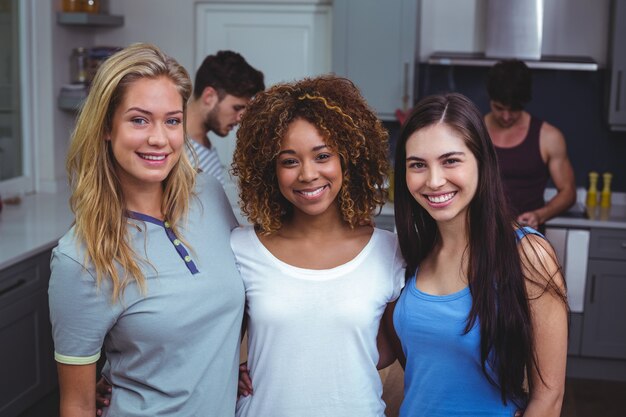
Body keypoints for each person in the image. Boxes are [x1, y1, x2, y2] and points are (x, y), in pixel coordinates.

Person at [48, 43, 244, 417]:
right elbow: (77, 404)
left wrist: (240, 358)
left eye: (172, 120)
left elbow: (234, 292)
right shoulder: (81, 258)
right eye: (139, 120)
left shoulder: (208, 194)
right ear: (107, 126)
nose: (159, 138)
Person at [383, 92, 568, 416]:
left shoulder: (527, 255)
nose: (434, 180)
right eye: (418, 165)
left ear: (482, 162)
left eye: (451, 160)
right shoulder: (410, 255)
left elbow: (549, 397)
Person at [231, 75, 405, 417]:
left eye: (322, 156)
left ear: (348, 160)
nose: (308, 174)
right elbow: (205, 340)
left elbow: (394, 351)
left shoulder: (389, 252)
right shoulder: (241, 249)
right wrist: (223, 371)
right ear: (270, 171)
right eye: (289, 161)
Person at [484, 59, 576, 230]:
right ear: (490, 100)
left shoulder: (549, 137)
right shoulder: (474, 131)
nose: (505, 116)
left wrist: (540, 215)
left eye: (513, 110)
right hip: (481, 237)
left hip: (527, 238)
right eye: (499, 108)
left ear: (525, 103)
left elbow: (568, 192)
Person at [186, 50, 264, 185]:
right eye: (237, 108)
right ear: (209, 97)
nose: (241, 118)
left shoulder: (204, 146)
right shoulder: (174, 149)